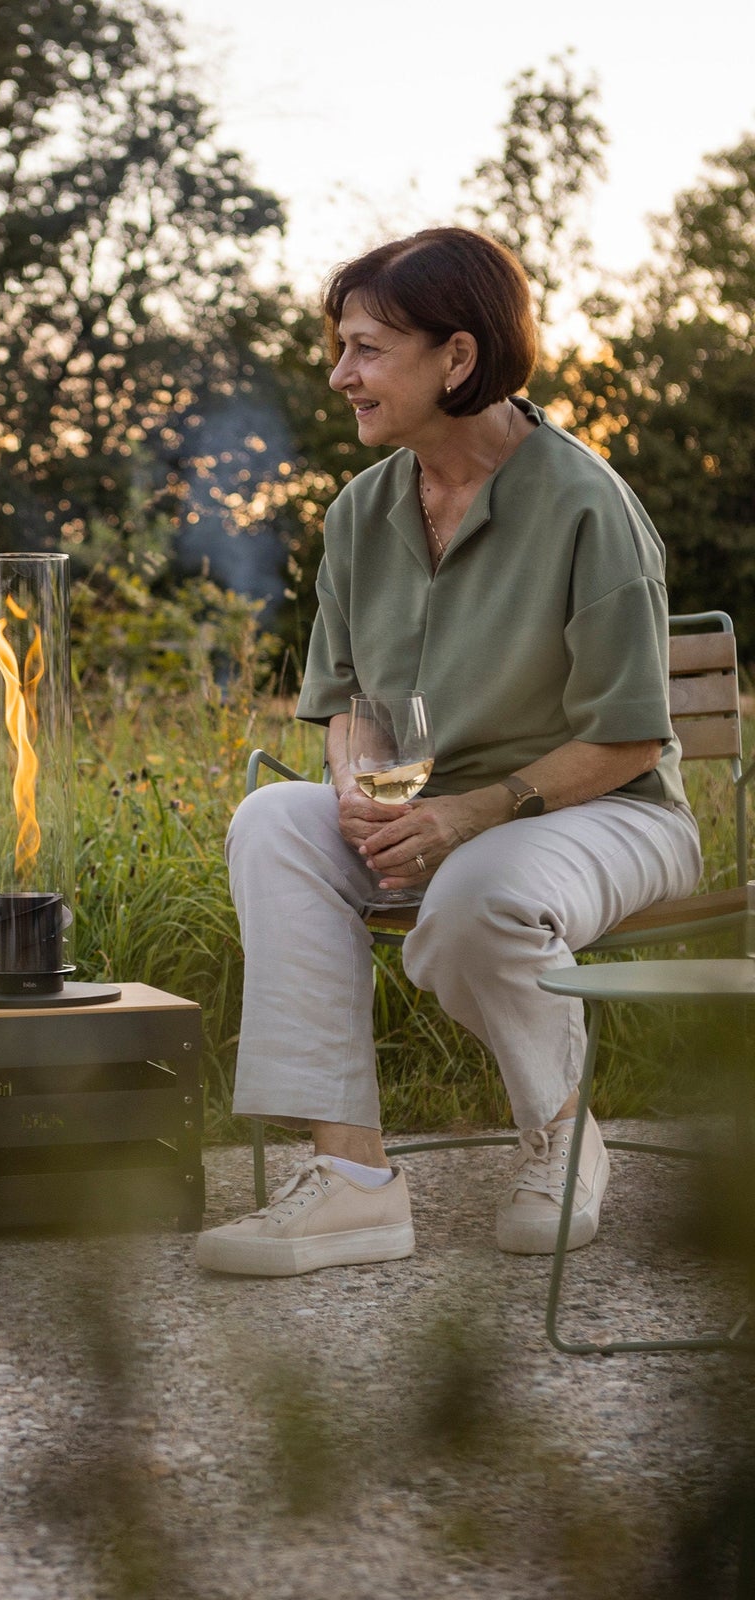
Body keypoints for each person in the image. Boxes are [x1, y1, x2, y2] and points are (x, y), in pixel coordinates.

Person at [195, 227, 700, 1277]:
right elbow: (348, 702)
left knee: (479, 887)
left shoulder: (586, 502)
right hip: (441, 813)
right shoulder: (360, 513)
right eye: (341, 348)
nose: (341, 376)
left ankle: (561, 1134)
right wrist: (354, 788)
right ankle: (351, 1181)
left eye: (367, 349)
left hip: (606, 814)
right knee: (274, 821)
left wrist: (467, 815)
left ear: (457, 356)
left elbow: (627, 736)